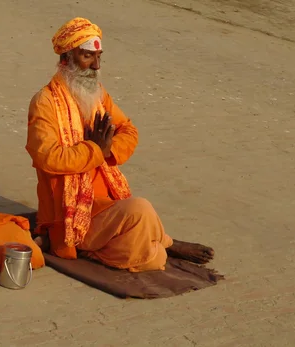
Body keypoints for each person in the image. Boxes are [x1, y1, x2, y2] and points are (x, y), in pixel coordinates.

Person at [25, 17, 214, 271]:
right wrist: (95, 150)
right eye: (88, 57)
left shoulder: (97, 94)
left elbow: (129, 130)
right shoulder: (45, 102)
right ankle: (166, 242)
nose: (96, 66)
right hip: (68, 211)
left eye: (99, 57)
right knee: (142, 216)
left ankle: (112, 247)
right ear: (66, 58)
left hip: (107, 203)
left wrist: (108, 150)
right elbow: (47, 158)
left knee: (150, 251)